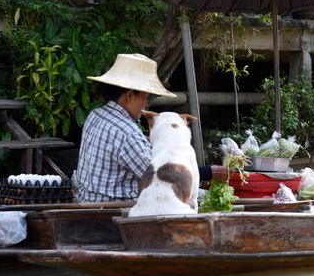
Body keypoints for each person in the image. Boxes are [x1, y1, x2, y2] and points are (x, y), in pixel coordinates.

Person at [76, 53, 228, 203]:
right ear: (130, 95)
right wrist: (207, 172)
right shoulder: (127, 132)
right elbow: (162, 176)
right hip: (117, 208)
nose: (146, 104)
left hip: (87, 202)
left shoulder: (95, 115)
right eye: (145, 97)